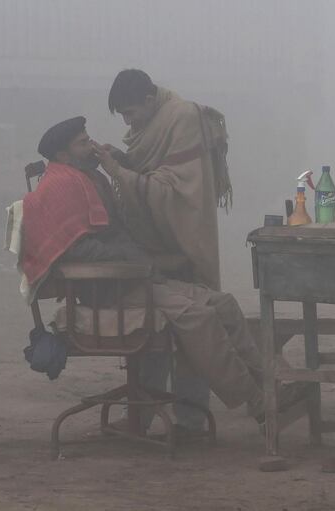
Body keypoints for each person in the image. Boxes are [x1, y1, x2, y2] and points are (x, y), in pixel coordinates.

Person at [21, 117, 303, 431]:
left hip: (132, 278)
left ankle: (270, 387)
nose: (92, 146)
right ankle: (259, 402)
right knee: (200, 317)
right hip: (106, 289)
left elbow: (116, 227)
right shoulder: (61, 186)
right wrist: (137, 260)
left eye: (89, 139)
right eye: (82, 143)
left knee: (223, 304)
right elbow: (79, 252)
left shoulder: (89, 178)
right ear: (62, 155)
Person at [94, 69, 231, 431]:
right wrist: (124, 161)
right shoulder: (156, 121)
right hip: (156, 244)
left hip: (183, 234)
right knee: (154, 328)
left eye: (130, 114)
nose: (127, 122)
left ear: (151, 101)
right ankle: (143, 411)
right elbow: (151, 170)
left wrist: (119, 172)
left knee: (193, 329)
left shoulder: (182, 117)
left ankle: (189, 418)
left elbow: (173, 189)